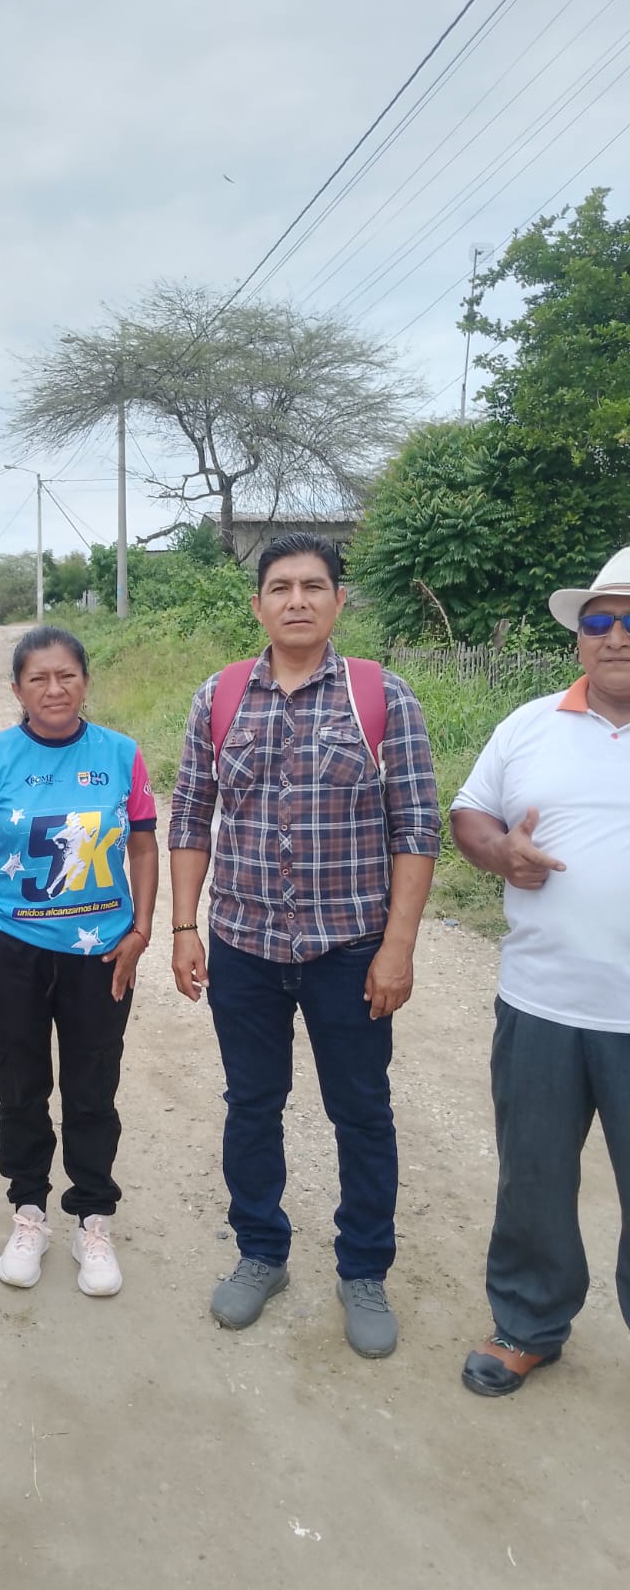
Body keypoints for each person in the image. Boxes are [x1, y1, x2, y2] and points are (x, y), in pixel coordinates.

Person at [168, 533, 440, 1357]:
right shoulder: (219, 697)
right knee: (251, 1105)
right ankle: (261, 1252)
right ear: (258, 604)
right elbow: (189, 817)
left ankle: (363, 1269)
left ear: (338, 601)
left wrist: (398, 948)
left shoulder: (382, 696)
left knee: (360, 1110)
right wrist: (185, 927)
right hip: (244, 945)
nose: (297, 600)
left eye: (313, 586)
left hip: (349, 949)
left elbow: (416, 827)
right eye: (280, 587)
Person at [451, 546, 630, 1396]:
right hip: (543, 1003)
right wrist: (501, 854)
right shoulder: (527, 726)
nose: (617, 635)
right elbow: (470, 814)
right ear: (579, 636)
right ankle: (527, 1324)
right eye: (601, 619)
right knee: (534, 1177)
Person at [0, 626, 158, 1297]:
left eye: (66, 675)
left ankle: (93, 1218)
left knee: (94, 1086)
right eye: (38, 678)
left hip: (101, 954)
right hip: (9, 947)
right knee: (20, 1083)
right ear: (17, 689)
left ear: (86, 681)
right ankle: (30, 1211)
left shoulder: (122, 754)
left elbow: (144, 847)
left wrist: (142, 930)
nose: (54, 689)